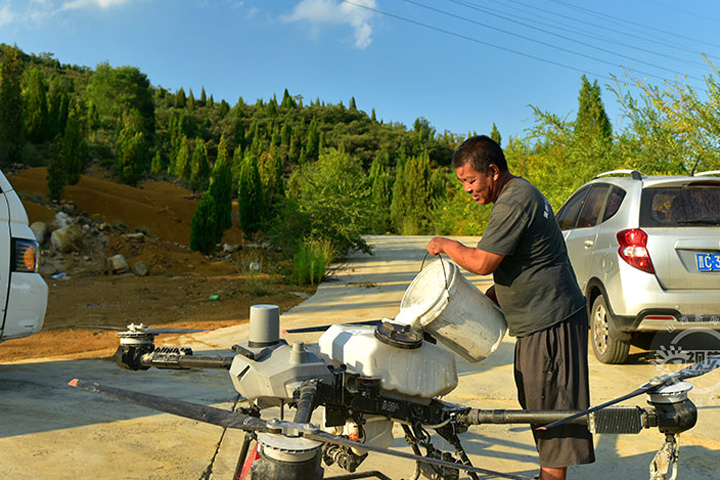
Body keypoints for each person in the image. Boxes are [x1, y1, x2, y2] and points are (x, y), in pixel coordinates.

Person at [427, 135, 595, 480]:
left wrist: (446, 244)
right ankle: (546, 474)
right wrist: (494, 295)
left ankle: (551, 477)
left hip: (552, 321)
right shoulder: (518, 194)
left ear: (492, 172)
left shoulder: (514, 201)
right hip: (542, 320)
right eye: (462, 182)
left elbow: (483, 261)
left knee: (551, 409)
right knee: (536, 401)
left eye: (470, 180)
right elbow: (528, 261)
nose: (467, 189)